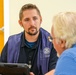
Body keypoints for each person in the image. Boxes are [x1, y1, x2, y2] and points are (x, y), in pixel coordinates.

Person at [0, 3, 58, 75]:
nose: (32, 23)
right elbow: (1, 68)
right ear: (20, 23)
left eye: (35, 18)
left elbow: (56, 70)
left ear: (41, 19)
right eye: (27, 20)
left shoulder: (51, 41)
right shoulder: (11, 42)